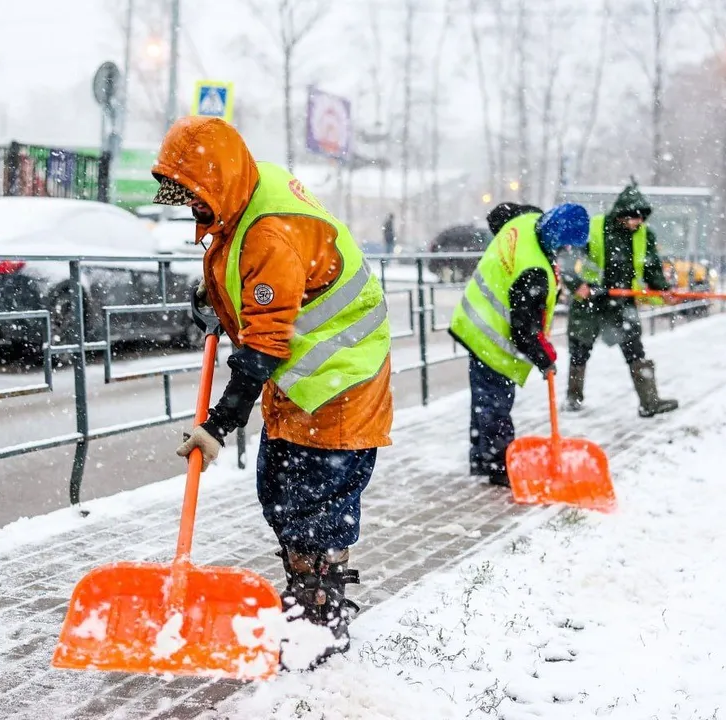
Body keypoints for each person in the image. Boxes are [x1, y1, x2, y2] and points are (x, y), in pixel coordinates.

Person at [151, 116, 393, 664]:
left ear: (220, 180)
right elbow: (260, 279)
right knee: (279, 489)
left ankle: (319, 621)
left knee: (317, 502)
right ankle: (306, 596)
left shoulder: (269, 229)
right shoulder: (247, 194)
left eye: (192, 192)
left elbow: (263, 342)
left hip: (340, 381)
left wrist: (217, 424)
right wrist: (215, 296)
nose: (188, 205)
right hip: (306, 381)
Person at [449, 201, 590, 487]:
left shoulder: (527, 219)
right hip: (491, 335)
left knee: (483, 399)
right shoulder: (534, 270)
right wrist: (545, 357)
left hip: (473, 317)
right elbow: (524, 331)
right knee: (496, 402)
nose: (566, 254)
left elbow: (499, 214)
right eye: (565, 248)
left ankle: (482, 456)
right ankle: (500, 465)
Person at [560, 182, 679, 418]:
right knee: (580, 350)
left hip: (622, 303)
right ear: (621, 213)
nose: (638, 223)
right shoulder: (594, 228)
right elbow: (567, 258)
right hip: (590, 302)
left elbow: (652, 266)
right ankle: (573, 398)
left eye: (641, 219)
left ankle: (649, 401)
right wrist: (577, 285)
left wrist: (663, 288)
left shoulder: (644, 235)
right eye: (634, 218)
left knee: (635, 350)